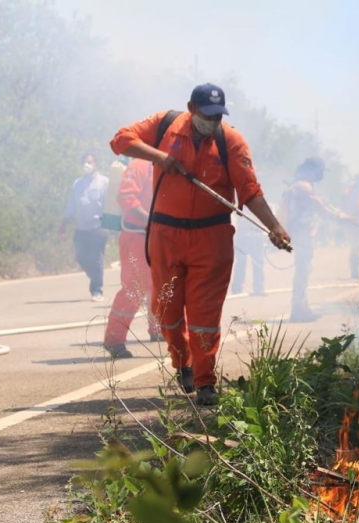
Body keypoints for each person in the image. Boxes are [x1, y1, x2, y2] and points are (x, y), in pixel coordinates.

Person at [109, 83, 290, 405]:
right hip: (166, 235)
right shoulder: (165, 124)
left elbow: (249, 191)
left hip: (211, 238)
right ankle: (182, 363)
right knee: (165, 310)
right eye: (207, 115)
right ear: (191, 108)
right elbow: (121, 141)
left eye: (219, 115)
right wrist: (160, 157)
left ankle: (206, 382)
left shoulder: (230, 141)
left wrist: (275, 227)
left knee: (204, 315)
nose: (213, 121)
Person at [282, 157, 356, 322]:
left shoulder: (300, 185)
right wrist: (343, 218)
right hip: (301, 235)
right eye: (320, 171)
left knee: (304, 271)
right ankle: (298, 310)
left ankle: (301, 308)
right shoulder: (303, 187)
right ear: (312, 169)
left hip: (301, 234)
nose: (321, 174)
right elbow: (322, 208)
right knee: (303, 272)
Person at [102, 158, 162, 360]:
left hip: (156, 235)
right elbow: (126, 197)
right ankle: (114, 340)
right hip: (137, 236)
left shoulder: (162, 162)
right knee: (134, 288)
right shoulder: (141, 164)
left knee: (161, 285)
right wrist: (153, 221)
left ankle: (158, 329)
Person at [59, 152, 109, 302]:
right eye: (85, 163)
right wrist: (64, 223)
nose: (87, 165)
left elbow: (110, 206)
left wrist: (106, 225)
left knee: (96, 258)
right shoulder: (77, 184)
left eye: (90, 162)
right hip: (81, 228)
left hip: (98, 227)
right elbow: (71, 206)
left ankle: (97, 290)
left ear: (96, 164)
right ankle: (95, 276)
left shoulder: (104, 182)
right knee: (81, 257)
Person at [230, 215, 266, 296]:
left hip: (255, 235)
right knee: (241, 263)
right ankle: (237, 288)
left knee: (258, 263)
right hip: (243, 234)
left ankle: (258, 287)